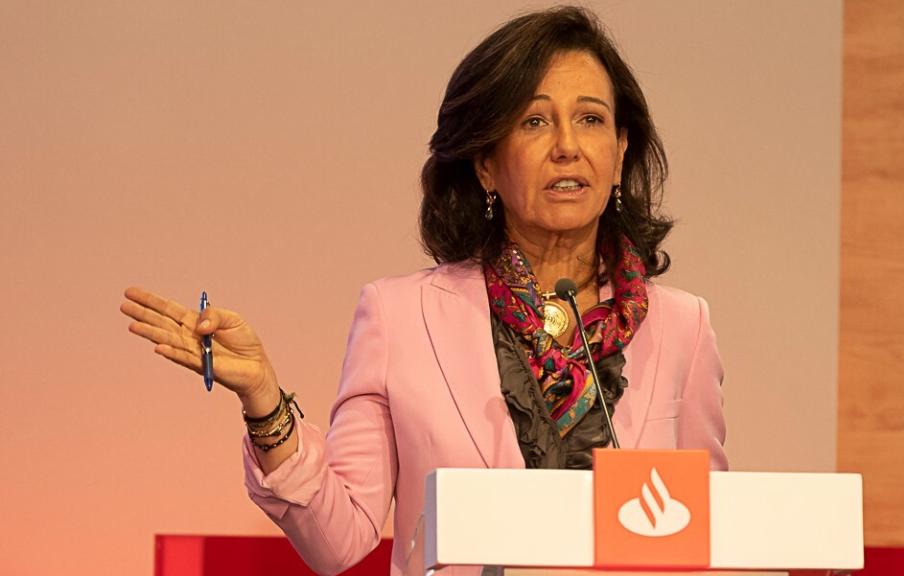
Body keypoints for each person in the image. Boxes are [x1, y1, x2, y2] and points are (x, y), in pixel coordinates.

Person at [120, 6, 726, 576]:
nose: (567, 144)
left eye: (591, 119)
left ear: (620, 153)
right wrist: (264, 398)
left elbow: (715, 534)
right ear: (485, 164)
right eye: (535, 120)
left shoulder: (682, 328)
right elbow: (338, 538)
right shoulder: (400, 316)